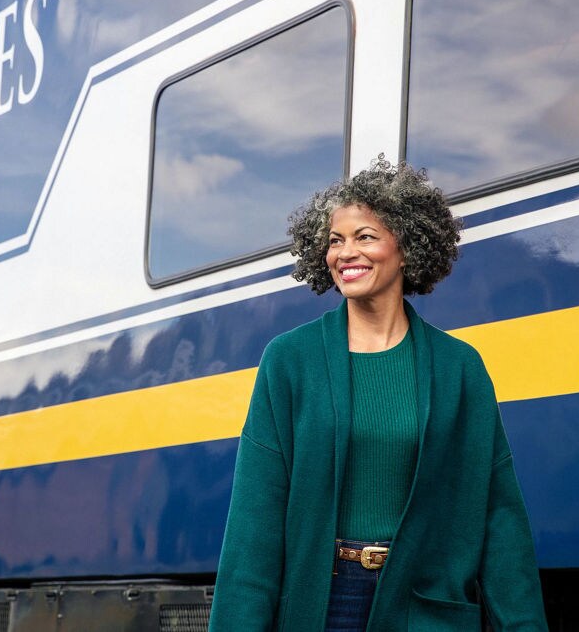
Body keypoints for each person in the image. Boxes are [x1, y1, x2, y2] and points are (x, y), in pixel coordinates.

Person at [208, 158, 547, 631]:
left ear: (407, 248)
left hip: (423, 604)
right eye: (335, 240)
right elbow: (254, 522)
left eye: (365, 237)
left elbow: (499, 516)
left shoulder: (459, 367)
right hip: (327, 603)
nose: (346, 253)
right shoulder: (289, 360)